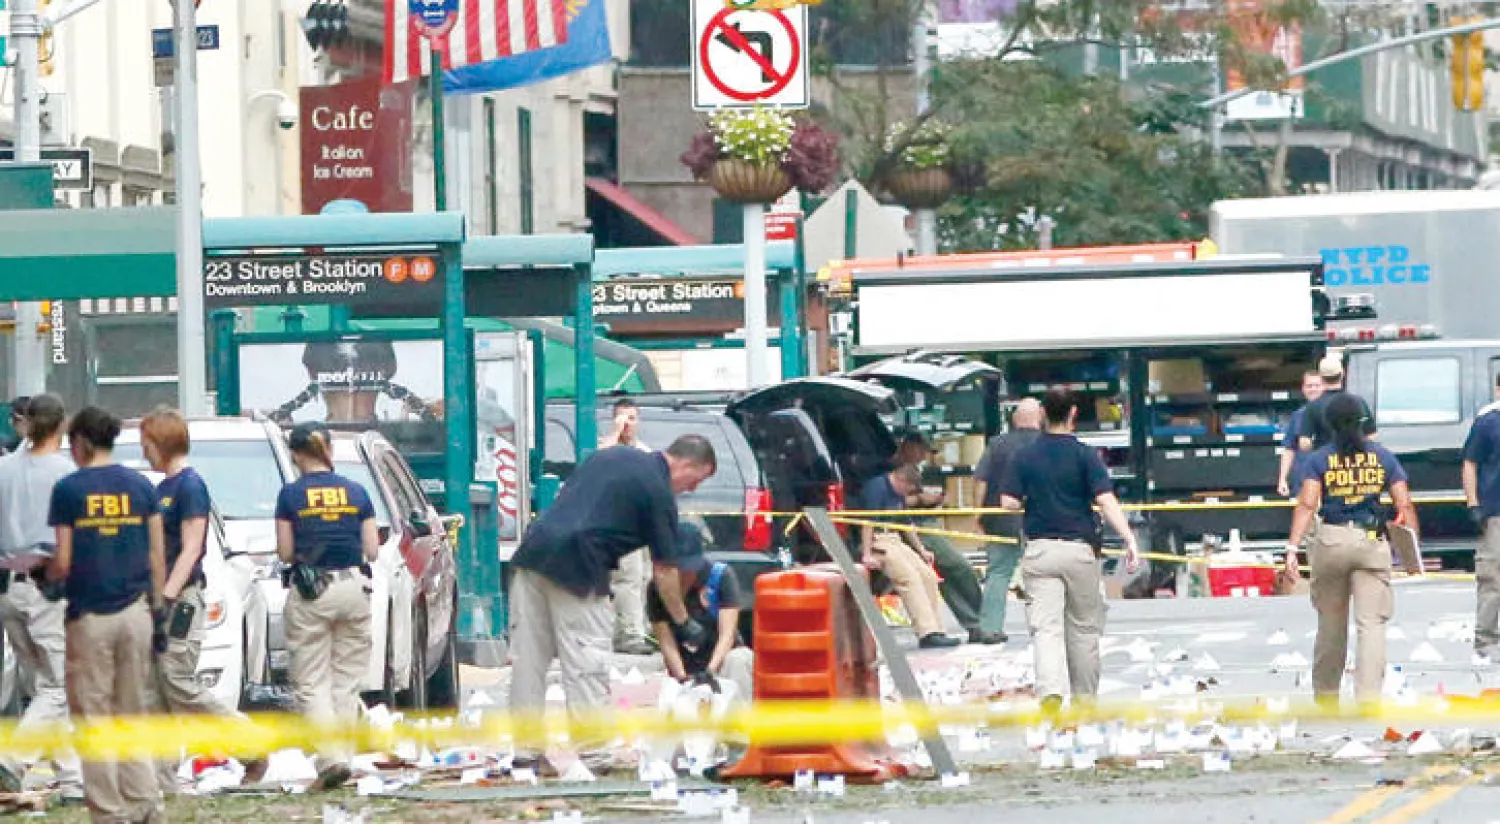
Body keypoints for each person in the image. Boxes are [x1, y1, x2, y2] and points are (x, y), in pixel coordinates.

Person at [508, 435, 718, 774]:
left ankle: (526, 753)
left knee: (528, 661)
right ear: (686, 464)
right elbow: (665, 572)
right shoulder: (659, 492)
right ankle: (594, 756)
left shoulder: (612, 455)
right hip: (580, 564)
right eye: (694, 480)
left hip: (534, 552)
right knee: (585, 662)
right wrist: (683, 622)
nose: (690, 489)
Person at [45, 406, 166, 824]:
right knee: (132, 709)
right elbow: (156, 554)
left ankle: (110, 813)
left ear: (79, 443)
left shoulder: (69, 491)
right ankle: (145, 803)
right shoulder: (141, 486)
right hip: (137, 611)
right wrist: (159, 608)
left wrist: (45, 574)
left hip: (90, 617)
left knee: (93, 717)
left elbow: (63, 558)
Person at [999, 388, 1140, 709]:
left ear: (1043, 415)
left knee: (1045, 627)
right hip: (1079, 550)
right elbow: (1105, 500)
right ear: (1073, 414)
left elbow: (1007, 502)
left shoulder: (1024, 456)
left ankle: (1050, 690)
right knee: (1083, 629)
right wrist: (1129, 538)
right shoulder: (1085, 455)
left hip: (1040, 550)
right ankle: (1085, 700)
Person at [1285, 392, 1417, 707]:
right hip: (1371, 541)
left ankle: (1327, 696)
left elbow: (1307, 504)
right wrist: (1411, 553)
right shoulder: (1382, 457)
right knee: (1371, 623)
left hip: (1331, 541)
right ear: (1362, 422)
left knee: (1331, 622)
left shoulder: (1320, 459)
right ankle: (1368, 698)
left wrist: (1292, 548)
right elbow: (1404, 503)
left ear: (1329, 424)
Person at [275, 422, 380, 792]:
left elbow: (286, 552)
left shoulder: (290, 496)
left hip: (311, 592)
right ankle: (346, 761)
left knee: (311, 682)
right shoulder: (357, 491)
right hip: (354, 588)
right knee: (346, 681)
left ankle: (330, 760)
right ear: (329, 449)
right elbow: (372, 550)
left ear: (295, 454)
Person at [140, 408, 247, 719]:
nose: (144, 453)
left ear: (161, 442)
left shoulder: (190, 486)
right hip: (160, 598)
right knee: (155, 689)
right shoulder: (161, 490)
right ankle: (163, 768)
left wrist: (168, 596)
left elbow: (191, 548)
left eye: (146, 444)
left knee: (177, 679)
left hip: (180, 598)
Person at [0, 395, 82, 798]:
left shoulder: (3, 468)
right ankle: (13, 757)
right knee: (61, 685)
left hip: (7, 585)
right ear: (61, 425)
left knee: (42, 685)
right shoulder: (65, 474)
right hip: (47, 585)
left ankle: (71, 779)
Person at [893, 432, 992, 644]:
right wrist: (920, 498)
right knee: (959, 567)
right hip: (916, 527)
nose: (924, 456)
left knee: (945, 577)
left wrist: (934, 501)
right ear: (909, 447)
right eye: (921, 450)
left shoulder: (916, 470)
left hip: (925, 523)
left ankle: (975, 624)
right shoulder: (896, 470)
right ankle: (982, 621)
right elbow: (897, 502)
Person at [857, 463, 961, 649]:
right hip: (877, 538)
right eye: (908, 489)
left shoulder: (899, 495)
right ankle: (926, 632)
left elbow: (906, 522)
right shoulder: (877, 488)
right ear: (901, 480)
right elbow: (868, 521)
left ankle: (937, 629)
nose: (908, 494)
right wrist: (866, 553)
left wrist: (921, 550)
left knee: (928, 576)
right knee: (908, 577)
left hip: (895, 537)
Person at [647, 527, 754, 700]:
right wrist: (682, 677)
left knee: (740, 659)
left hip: (722, 661)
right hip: (686, 665)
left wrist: (710, 671)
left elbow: (727, 635)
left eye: (689, 569)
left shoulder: (721, 577)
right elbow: (666, 641)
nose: (684, 575)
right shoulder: (657, 588)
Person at [971, 397, 1043, 643]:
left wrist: (979, 511)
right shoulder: (1046, 445)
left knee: (999, 573)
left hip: (1000, 518)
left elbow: (981, 480)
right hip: (1039, 518)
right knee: (1043, 573)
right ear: (1040, 417)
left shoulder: (997, 444)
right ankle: (1043, 627)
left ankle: (990, 628)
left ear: (1014, 420)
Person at [600, 398, 656, 655]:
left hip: (642, 525)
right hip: (620, 527)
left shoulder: (644, 452)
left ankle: (640, 628)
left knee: (645, 577)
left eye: (632, 419)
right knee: (628, 579)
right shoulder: (608, 448)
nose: (627, 425)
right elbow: (602, 458)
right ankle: (629, 634)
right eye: (622, 419)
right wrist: (615, 431)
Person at [1462, 373, 1500, 658]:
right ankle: (1486, 641)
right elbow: (1470, 464)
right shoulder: (1488, 423)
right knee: (1492, 578)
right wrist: (1473, 503)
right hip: (1496, 511)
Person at [1298, 355, 1375, 453]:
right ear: (1343, 374)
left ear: (1321, 377)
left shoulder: (1313, 406)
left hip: (1325, 462)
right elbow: (1371, 436)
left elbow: (1304, 443)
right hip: (1355, 462)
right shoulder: (1359, 401)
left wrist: (1319, 450)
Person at [1277, 370, 1326, 497]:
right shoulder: (1298, 415)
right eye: (1309, 386)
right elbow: (1289, 449)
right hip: (1303, 481)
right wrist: (1282, 479)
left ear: (1325, 387)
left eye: (1317, 385)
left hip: (1330, 479)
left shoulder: (1334, 413)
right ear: (1303, 389)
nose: (1313, 389)